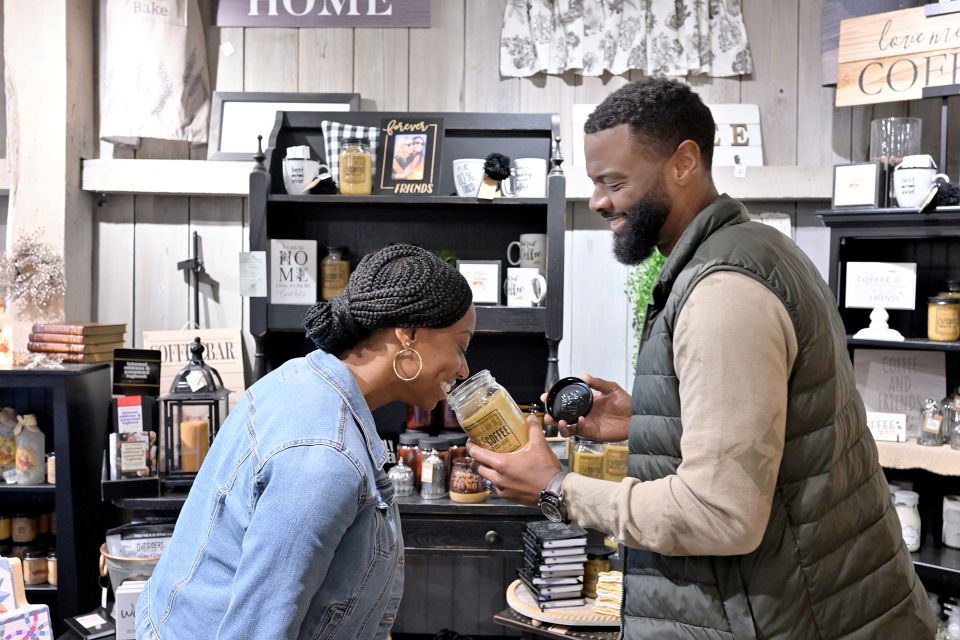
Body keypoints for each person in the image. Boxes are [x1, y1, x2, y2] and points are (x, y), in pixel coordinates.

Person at [468, 78, 936, 639]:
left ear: (684, 162)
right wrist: (649, 418)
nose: (597, 201)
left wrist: (557, 488)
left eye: (614, 182)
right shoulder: (755, 251)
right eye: (595, 183)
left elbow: (721, 514)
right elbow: (781, 431)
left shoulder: (723, 290)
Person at [137, 244, 476, 640]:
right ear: (409, 335)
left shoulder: (302, 377)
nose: (464, 368)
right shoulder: (324, 457)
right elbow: (258, 632)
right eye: (461, 346)